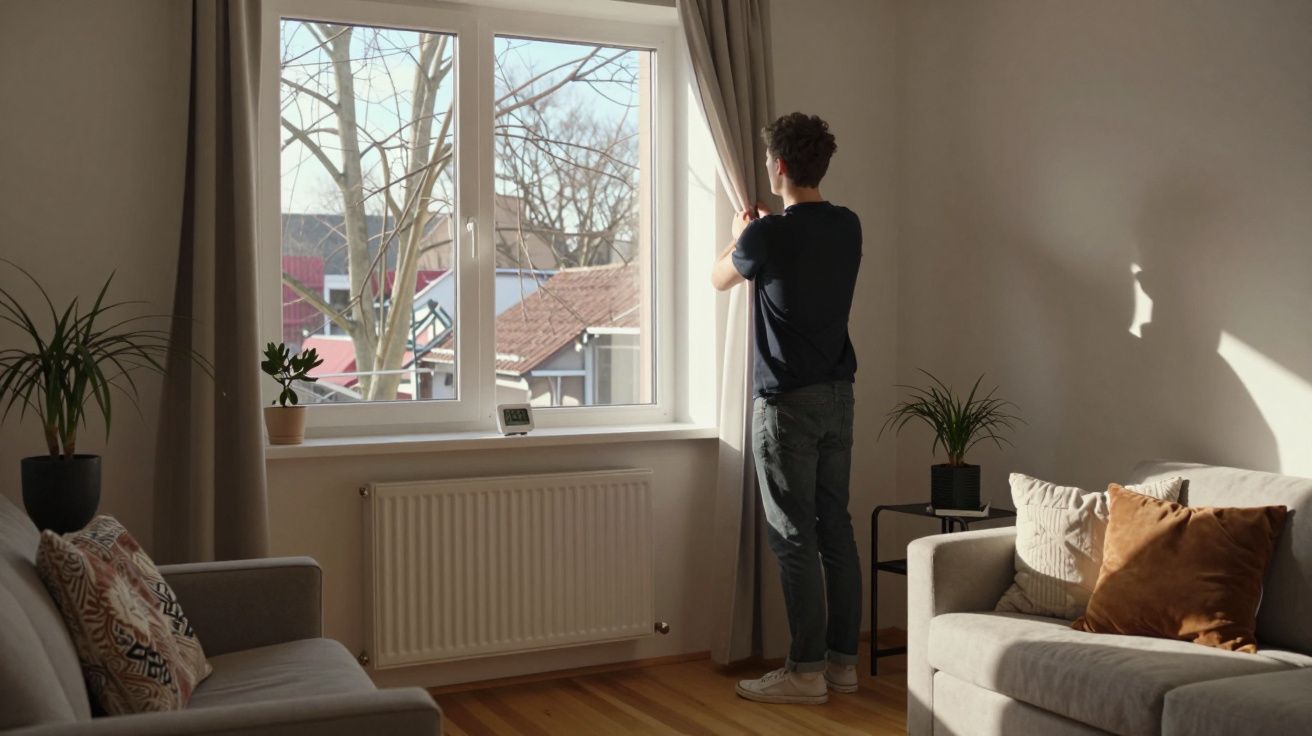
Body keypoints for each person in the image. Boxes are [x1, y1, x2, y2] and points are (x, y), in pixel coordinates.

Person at [711, 112, 862, 705]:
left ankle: (804, 672)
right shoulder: (849, 225)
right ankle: (843, 665)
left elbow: (720, 278)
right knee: (837, 531)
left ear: (778, 166)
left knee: (793, 536)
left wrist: (738, 231)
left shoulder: (765, 235)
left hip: (786, 405)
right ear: (820, 164)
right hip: (839, 397)